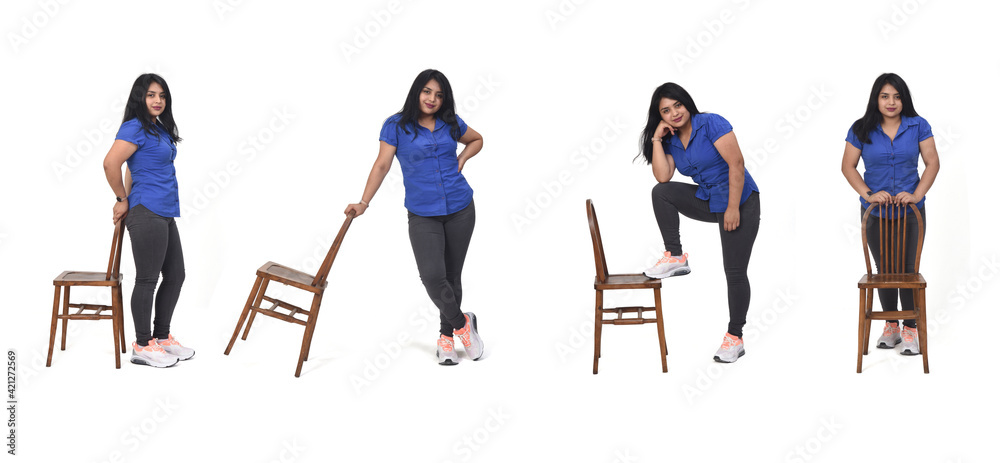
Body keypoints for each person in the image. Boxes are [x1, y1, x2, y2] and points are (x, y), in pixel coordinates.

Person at [345, 69, 485, 366]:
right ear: (416, 91)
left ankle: (446, 339)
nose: (432, 99)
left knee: (451, 276)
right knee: (433, 276)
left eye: (439, 94)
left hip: (461, 207)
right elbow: (382, 165)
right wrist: (364, 202)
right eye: (427, 91)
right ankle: (463, 326)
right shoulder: (396, 126)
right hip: (423, 214)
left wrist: (462, 159)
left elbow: (477, 139)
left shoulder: (450, 123)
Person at [638, 82, 760, 363]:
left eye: (677, 105)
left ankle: (735, 338)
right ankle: (676, 256)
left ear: (687, 103)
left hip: (740, 200)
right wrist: (657, 139)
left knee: (734, 271)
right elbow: (663, 177)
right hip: (708, 198)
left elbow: (737, 163)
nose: (674, 113)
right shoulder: (669, 138)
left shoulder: (711, 123)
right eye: (665, 111)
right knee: (662, 193)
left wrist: (732, 207)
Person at [841, 72, 940, 356]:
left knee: (908, 270)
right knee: (884, 269)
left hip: (911, 212)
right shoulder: (861, 128)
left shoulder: (918, 126)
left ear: (903, 99)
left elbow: (932, 163)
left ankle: (910, 328)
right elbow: (848, 166)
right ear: (876, 99)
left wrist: (917, 194)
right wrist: (870, 194)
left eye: (896, 96)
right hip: (875, 213)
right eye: (885, 96)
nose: (891, 102)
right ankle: (891, 326)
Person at [102, 73, 195, 368]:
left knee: (176, 275)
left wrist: (126, 194)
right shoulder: (134, 127)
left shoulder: (160, 128)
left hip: (164, 212)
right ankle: (143, 344)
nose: (157, 100)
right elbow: (110, 163)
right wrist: (122, 200)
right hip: (146, 211)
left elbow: (131, 166)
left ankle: (162, 337)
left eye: (162, 95)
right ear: (140, 97)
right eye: (151, 95)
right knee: (147, 279)